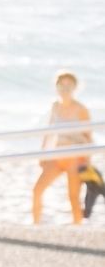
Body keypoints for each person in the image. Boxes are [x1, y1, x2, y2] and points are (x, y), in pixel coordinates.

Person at [32, 71, 92, 225]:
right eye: (61, 85)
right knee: (37, 190)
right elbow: (49, 131)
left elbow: (88, 138)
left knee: (73, 197)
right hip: (57, 156)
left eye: (68, 85)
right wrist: (43, 154)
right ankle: (35, 227)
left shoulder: (82, 109)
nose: (65, 88)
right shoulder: (55, 106)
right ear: (56, 87)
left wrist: (87, 162)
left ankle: (78, 230)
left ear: (74, 87)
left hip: (74, 158)